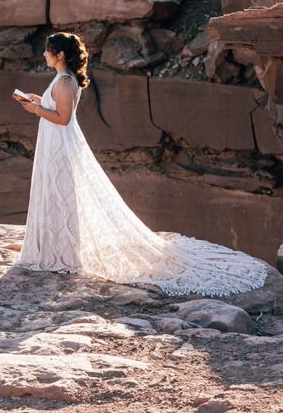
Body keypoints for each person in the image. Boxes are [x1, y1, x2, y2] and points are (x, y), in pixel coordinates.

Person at [15, 31, 268, 296]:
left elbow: (63, 118)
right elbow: (55, 108)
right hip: (54, 144)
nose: (43, 54)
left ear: (60, 54)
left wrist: (36, 110)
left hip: (61, 146)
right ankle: (56, 248)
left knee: (62, 193)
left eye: (47, 50)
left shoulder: (65, 81)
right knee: (55, 193)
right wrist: (38, 101)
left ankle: (63, 252)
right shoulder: (61, 79)